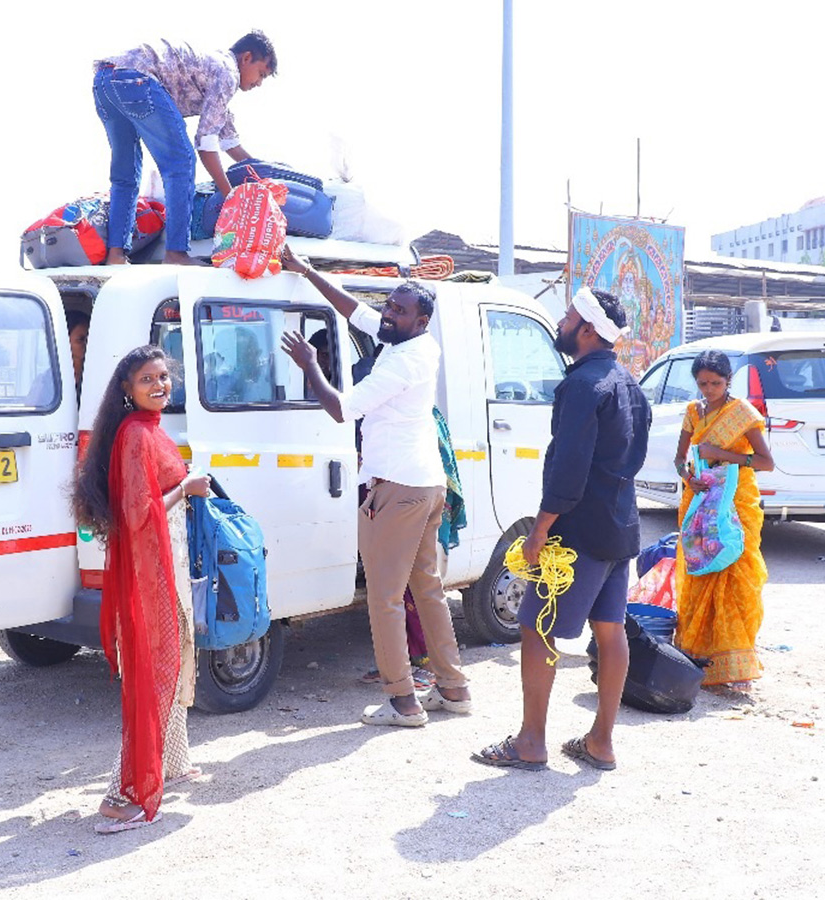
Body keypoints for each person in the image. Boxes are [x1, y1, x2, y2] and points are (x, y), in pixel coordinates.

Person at [279, 246, 471, 727]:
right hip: (424, 485)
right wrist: (306, 272)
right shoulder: (412, 344)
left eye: (399, 311)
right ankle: (454, 688)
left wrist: (310, 364)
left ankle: (403, 701)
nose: (388, 315)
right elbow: (357, 312)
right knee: (427, 589)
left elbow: (343, 408)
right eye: (390, 306)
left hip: (398, 489)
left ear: (421, 320)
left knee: (385, 599)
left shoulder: (401, 363)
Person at [473, 287, 650, 771]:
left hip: (577, 534)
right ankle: (601, 742)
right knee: (610, 631)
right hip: (620, 527)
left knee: (537, 630)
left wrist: (539, 529)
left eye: (569, 316)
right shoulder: (629, 384)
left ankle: (530, 742)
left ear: (588, 330)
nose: (562, 322)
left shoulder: (582, 385)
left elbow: (569, 467)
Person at [71, 346, 211, 833]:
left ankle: (169, 761)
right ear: (126, 391)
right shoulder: (135, 435)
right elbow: (137, 515)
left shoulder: (151, 429)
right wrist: (187, 489)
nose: (159, 385)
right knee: (153, 668)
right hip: (150, 566)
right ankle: (124, 793)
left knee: (176, 655)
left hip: (166, 560)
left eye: (163, 377)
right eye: (146, 379)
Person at [92, 33, 277, 266]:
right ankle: (176, 253)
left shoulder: (214, 73)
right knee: (181, 161)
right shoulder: (228, 73)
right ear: (246, 58)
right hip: (135, 79)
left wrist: (265, 173)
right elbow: (206, 145)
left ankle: (115, 255)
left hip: (105, 81)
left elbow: (229, 141)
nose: (259, 83)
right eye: (261, 74)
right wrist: (232, 197)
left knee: (126, 173)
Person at [673, 349, 774, 691]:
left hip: (735, 503)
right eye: (703, 383)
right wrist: (689, 477)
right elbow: (679, 458)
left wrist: (721, 456)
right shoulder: (693, 412)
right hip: (701, 500)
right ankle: (698, 654)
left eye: (716, 383)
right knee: (700, 571)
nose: (709, 389)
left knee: (736, 574)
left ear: (728, 380)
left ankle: (737, 665)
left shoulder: (743, 413)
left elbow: (765, 462)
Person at [67, 309, 90, 401]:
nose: (87, 344)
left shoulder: (96, 375)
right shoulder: (47, 380)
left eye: (89, 338)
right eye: (81, 339)